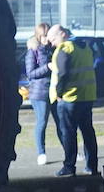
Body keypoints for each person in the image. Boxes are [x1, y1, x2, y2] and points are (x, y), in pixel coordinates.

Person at [48, 24, 98, 177]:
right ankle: (91, 166)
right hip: (87, 96)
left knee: (68, 133)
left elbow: (62, 74)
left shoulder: (64, 49)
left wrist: (58, 93)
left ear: (63, 34)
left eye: (53, 39)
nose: (52, 43)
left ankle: (69, 167)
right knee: (88, 132)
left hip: (69, 98)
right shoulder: (85, 48)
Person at [23, 22, 58, 166]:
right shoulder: (33, 51)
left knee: (61, 122)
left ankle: (70, 152)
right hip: (40, 93)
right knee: (42, 122)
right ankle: (41, 152)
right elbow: (30, 73)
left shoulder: (52, 49)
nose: (45, 39)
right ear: (38, 36)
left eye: (47, 35)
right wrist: (47, 67)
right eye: (43, 36)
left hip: (54, 90)